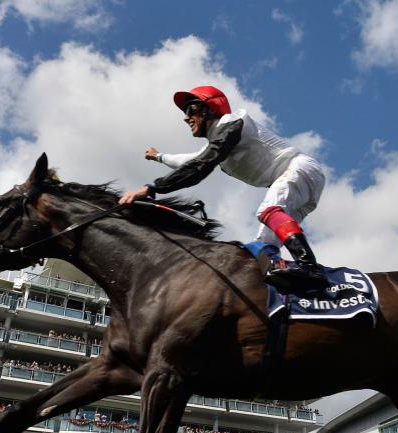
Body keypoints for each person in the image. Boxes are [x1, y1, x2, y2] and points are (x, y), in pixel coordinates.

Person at [120, 85, 328, 291]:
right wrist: (159, 157)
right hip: (304, 185)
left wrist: (151, 188)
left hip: (299, 169)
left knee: (267, 211)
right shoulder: (219, 141)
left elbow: (200, 165)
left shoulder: (231, 122)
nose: (186, 118)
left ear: (210, 109)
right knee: (261, 248)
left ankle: (309, 267)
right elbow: (189, 160)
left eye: (190, 110)